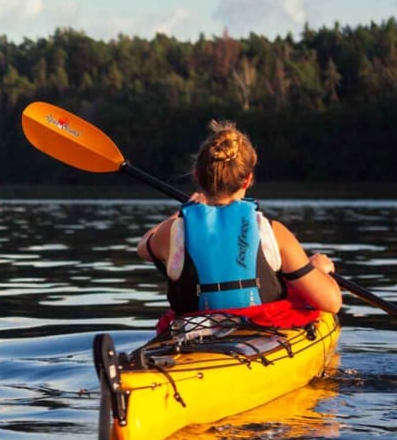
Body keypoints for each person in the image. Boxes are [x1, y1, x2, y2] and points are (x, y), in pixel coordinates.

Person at [136, 121, 342, 318]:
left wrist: (183, 211)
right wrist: (317, 270)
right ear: (247, 180)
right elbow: (332, 303)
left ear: (197, 176)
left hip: (193, 337)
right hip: (263, 340)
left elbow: (143, 247)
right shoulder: (273, 232)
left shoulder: (174, 231)